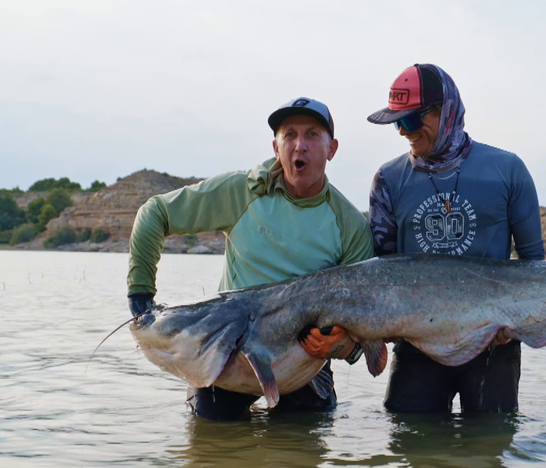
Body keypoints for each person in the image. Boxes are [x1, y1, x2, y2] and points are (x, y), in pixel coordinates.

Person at [126, 97, 374, 421]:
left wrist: (341, 345)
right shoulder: (242, 192)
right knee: (211, 443)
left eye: (312, 134)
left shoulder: (350, 225)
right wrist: (140, 297)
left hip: (303, 367)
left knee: (304, 448)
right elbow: (153, 213)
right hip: (226, 354)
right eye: (290, 135)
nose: (300, 146)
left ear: (332, 148)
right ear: (276, 147)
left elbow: (366, 317)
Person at [364, 63, 545, 413]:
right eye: (397, 122)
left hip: (494, 348)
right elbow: (380, 274)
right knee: (412, 454)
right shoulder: (387, 180)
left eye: (413, 119)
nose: (404, 131)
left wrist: (517, 325)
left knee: (488, 458)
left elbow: (534, 268)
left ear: (446, 111)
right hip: (417, 348)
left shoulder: (508, 170)